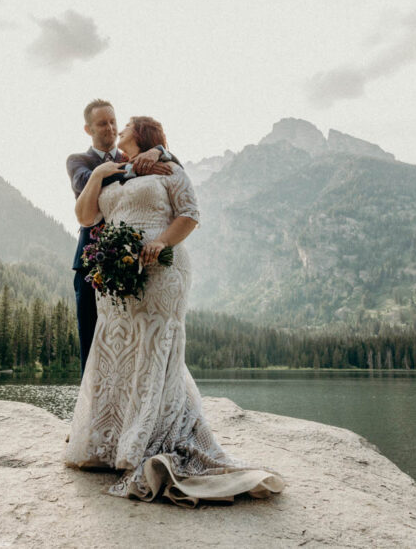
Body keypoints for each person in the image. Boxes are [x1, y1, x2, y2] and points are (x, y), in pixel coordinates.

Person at [64, 115, 284, 506]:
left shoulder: (168, 168)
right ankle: (111, 442)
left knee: (153, 346)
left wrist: (160, 244)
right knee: (117, 349)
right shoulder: (114, 171)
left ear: (144, 135)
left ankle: (147, 438)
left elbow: (190, 214)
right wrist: (98, 173)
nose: (121, 128)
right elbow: (85, 217)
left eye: (127, 124)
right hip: (117, 276)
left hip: (161, 270)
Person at [66, 100, 173, 373]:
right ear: (88, 129)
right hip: (91, 262)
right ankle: (88, 411)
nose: (111, 128)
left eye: (113, 122)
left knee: (130, 339)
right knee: (91, 338)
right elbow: (84, 182)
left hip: (132, 261)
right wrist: (135, 168)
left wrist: (159, 150)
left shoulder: (131, 154)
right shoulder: (78, 161)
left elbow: (174, 160)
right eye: (102, 123)